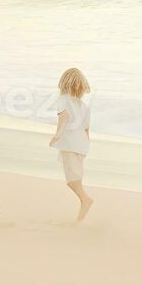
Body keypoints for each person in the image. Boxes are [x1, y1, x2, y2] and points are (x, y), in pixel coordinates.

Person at [49, 68, 93, 222]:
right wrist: (86, 148)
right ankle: (82, 211)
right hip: (82, 145)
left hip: (70, 144)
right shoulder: (84, 106)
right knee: (75, 177)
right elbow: (87, 129)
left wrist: (58, 135)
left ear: (64, 82)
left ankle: (85, 200)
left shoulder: (63, 99)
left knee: (72, 180)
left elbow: (63, 117)